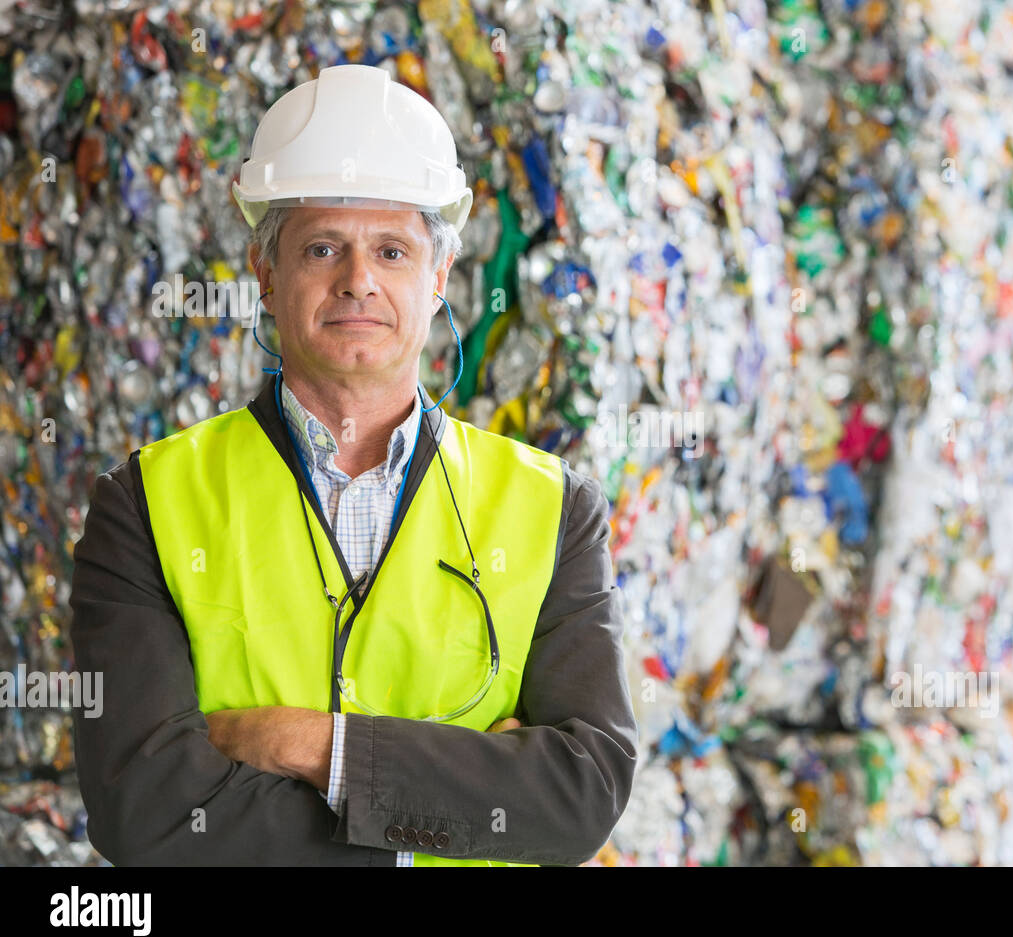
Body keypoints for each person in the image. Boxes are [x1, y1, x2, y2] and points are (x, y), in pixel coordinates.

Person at [68, 64, 638, 866]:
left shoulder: (552, 508)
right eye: (324, 247)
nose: (358, 281)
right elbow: (146, 811)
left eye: (394, 250)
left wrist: (309, 745)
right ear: (267, 275)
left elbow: (579, 798)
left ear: (438, 278)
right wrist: (444, 814)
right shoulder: (147, 503)